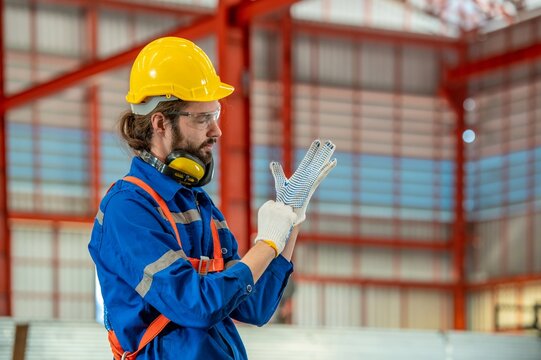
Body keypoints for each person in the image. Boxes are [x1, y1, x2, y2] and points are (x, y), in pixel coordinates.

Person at [88, 36, 336, 360]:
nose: (217, 131)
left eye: (215, 115)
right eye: (203, 118)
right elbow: (195, 305)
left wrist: (290, 222)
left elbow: (255, 305)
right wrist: (266, 244)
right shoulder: (128, 209)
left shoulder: (199, 205)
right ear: (160, 122)